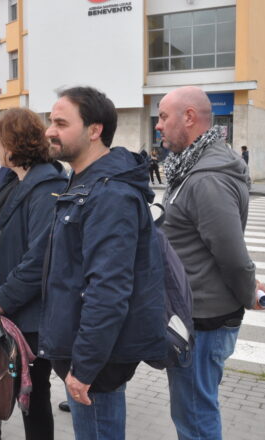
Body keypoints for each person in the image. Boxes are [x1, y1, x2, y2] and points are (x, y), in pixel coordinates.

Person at [39, 87, 166, 440]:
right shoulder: (84, 182)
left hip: (97, 362)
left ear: (94, 131)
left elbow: (108, 289)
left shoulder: (109, 193)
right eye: (51, 121)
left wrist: (84, 367)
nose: (50, 131)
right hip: (86, 352)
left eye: (61, 123)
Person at [156, 86, 265, 440]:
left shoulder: (206, 178)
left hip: (203, 320)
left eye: (163, 117)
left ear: (189, 117)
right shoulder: (190, 168)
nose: (158, 126)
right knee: (193, 411)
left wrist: (248, 289)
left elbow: (231, 254)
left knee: (195, 416)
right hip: (195, 313)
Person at [0, 108, 67, 440]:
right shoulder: (12, 181)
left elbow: (40, 258)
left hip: (33, 317)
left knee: (34, 394)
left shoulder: (46, 188)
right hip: (8, 308)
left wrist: (0, 301)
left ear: (14, 143)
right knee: (21, 390)